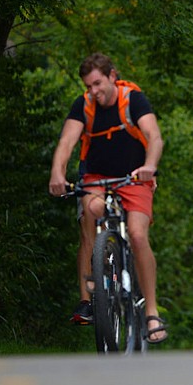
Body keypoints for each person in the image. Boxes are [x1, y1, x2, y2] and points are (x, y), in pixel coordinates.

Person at [48, 53, 167, 342]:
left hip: (135, 178)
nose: (94, 91)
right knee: (90, 214)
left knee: (138, 235)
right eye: (88, 86)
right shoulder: (85, 105)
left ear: (112, 76)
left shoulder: (132, 100)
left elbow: (154, 136)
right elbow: (66, 142)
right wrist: (57, 173)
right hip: (97, 179)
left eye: (98, 83)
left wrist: (150, 167)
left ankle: (151, 313)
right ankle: (89, 298)